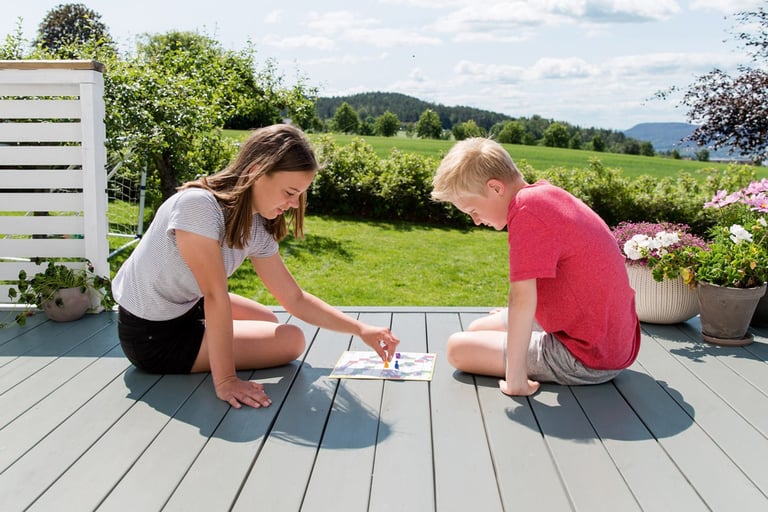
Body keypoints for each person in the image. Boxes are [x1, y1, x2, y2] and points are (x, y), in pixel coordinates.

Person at [113, 124, 399, 409]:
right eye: (289, 192)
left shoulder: (256, 226)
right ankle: (210, 351)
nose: (295, 204)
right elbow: (215, 296)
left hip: (187, 305)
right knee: (292, 341)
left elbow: (294, 299)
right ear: (257, 171)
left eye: (300, 194)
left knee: (268, 321)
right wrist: (226, 381)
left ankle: (213, 340)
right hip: (153, 337)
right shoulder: (198, 207)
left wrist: (361, 329)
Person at [430, 137, 640, 397]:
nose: (475, 221)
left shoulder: (526, 212)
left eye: (473, 210)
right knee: (476, 329)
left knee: (457, 348)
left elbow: (521, 297)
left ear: (496, 188)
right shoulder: (544, 195)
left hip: (588, 356)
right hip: (611, 338)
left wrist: (515, 378)